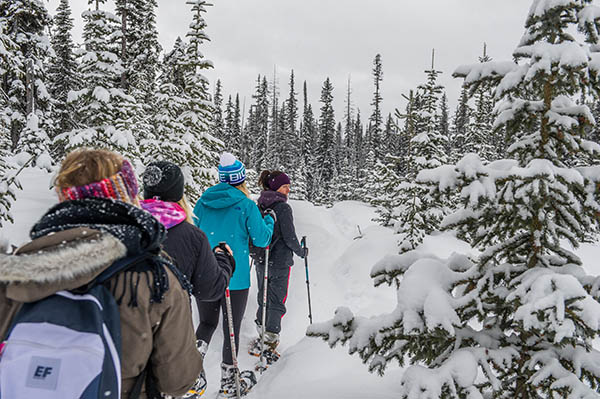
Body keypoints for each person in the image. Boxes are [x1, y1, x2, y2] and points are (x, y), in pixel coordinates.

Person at [0, 148, 203, 399]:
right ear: (125, 195)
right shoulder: (155, 276)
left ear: (65, 195)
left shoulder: (15, 273)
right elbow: (178, 380)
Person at [140, 160, 236, 396]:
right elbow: (210, 290)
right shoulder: (191, 235)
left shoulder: (123, 227)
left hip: (125, 341)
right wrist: (224, 261)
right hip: (170, 341)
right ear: (178, 194)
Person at [192, 152, 274, 397]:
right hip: (235, 278)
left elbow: (194, 233)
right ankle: (229, 382)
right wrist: (269, 221)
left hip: (205, 274)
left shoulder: (202, 202)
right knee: (231, 328)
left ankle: (193, 373)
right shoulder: (246, 204)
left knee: (206, 323)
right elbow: (262, 239)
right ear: (239, 180)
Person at [249, 170, 307, 363]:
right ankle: (270, 341)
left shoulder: (260, 204)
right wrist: (301, 252)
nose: (288, 190)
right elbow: (289, 237)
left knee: (263, 295)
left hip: (261, 259)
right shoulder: (283, 208)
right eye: (285, 186)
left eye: (289, 186)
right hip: (280, 261)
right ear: (275, 187)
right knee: (277, 300)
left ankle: (261, 332)